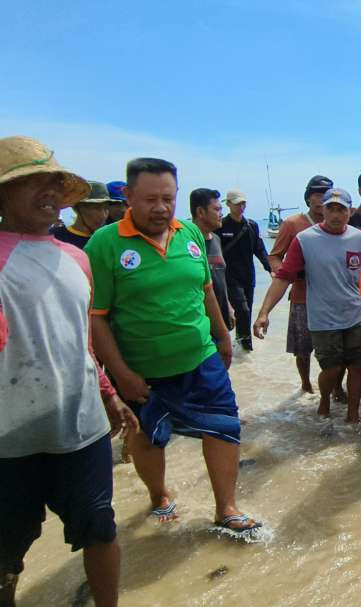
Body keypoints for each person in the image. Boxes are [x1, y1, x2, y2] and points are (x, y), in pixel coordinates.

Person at [85, 157, 261, 534]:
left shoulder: (190, 235)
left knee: (224, 426)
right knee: (148, 436)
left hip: (201, 358)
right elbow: (97, 316)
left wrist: (223, 336)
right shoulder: (105, 243)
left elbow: (205, 289)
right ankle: (159, 495)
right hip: (141, 368)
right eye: (150, 199)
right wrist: (121, 374)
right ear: (129, 196)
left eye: (168, 198)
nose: (161, 207)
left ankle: (226, 508)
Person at [0, 136, 139, 607]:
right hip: (8, 438)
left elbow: (79, 341)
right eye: (31, 182)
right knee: (8, 546)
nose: (49, 192)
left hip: (81, 426)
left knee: (99, 525)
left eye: (54, 182)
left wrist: (108, 392)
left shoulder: (75, 258)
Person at [254, 189, 361, 422]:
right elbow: (284, 276)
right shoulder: (306, 239)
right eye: (331, 209)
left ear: (350, 212)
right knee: (332, 369)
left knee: (357, 365)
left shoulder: (360, 239)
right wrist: (264, 312)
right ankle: (325, 399)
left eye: (341, 209)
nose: (336, 215)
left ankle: (353, 415)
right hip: (322, 318)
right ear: (322, 209)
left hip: (354, 314)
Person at [267, 175, 334, 394]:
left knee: (334, 350)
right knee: (302, 349)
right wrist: (283, 273)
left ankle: (334, 388)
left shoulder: (338, 222)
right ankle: (305, 383)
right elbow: (275, 256)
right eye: (317, 194)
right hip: (301, 296)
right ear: (308, 199)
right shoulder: (292, 224)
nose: (322, 199)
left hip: (331, 298)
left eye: (327, 194)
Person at [216, 190, 272, 352]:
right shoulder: (221, 226)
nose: (241, 207)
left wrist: (270, 269)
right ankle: (243, 348)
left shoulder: (251, 226)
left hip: (248, 277)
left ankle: (242, 347)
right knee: (243, 310)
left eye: (243, 203)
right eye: (237, 204)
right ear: (228, 204)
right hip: (229, 277)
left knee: (245, 313)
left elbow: (260, 250)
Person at [190, 188, 232, 332]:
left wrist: (228, 306)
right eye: (216, 209)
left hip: (221, 317)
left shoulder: (216, 239)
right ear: (201, 212)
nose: (221, 214)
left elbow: (220, 278)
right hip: (199, 322)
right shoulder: (186, 242)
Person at [50, 180, 111, 248]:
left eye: (106, 208)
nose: (103, 215)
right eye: (96, 208)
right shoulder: (55, 237)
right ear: (77, 208)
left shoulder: (108, 240)